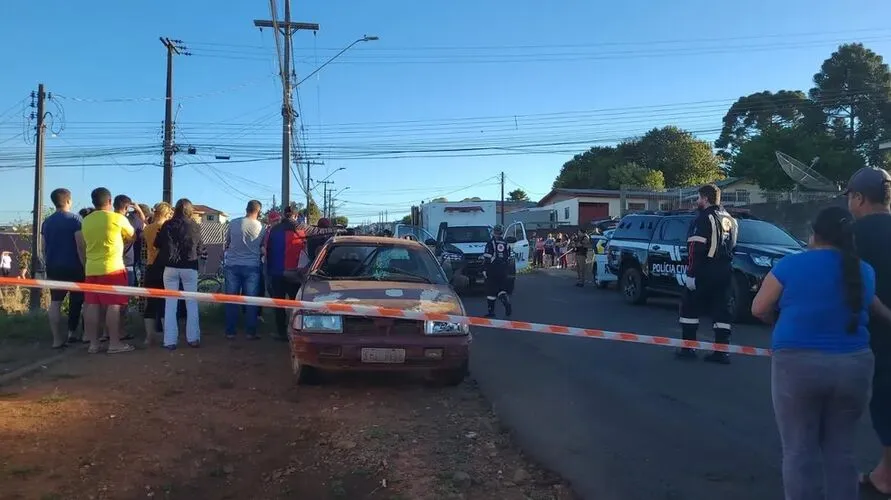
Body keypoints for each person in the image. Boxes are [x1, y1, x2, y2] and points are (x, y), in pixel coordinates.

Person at [751, 206, 889, 500]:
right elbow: (878, 311)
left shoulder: (790, 266)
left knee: (799, 450)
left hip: (797, 365)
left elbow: (759, 308)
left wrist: (779, 320)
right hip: (855, 366)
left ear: (814, 234)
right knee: (841, 451)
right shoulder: (864, 271)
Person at [843, 166, 891, 495]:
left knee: (884, 402)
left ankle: (885, 477)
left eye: (850, 196)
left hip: (876, 334)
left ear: (859, 198)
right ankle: (884, 472)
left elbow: (849, 287)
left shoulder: (854, 235)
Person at [676, 184, 738, 364]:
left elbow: (696, 248)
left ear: (705, 198)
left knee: (689, 307)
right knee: (722, 311)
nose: (697, 201)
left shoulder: (703, 218)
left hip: (705, 270)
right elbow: (734, 246)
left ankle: (688, 348)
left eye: (698, 198)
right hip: (725, 270)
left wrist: (692, 273)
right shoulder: (730, 219)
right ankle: (721, 351)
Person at [263, 207, 340, 341]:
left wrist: (269, 272)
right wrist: (337, 230)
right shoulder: (302, 229)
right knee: (296, 304)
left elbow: (267, 251)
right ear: (296, 215)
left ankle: (281, 332)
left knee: (279, 304)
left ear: (284, 215)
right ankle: (295, 332)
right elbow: (319, 233)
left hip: (276, 272)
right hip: (295, 274)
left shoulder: (273, 230)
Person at [75, 187, 136, 354]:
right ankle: (114, 343)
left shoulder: (86, 220)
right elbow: (132, 235)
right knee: (113, 305)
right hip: (113, 267)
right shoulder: (117, 218)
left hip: (91, 268)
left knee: (93, 305)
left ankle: (93, 344)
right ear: (109, 201)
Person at [154, 198, 204, 349]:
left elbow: (157, 244)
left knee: (170, 304)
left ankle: (169, 341)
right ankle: (193, 338)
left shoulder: (167, 225)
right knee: (192, 303)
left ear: (175, 209)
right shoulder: (195, 226)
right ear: (190, 210)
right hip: (190, 266)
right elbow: (199, 248)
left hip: (170, 267)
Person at [41, 188, 86, 348]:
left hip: (53, 266)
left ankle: (56, 340)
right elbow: (80, 246)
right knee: (77, 301)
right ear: (68, 201)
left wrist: (47, 262)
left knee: (55, 302)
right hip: (74, 266)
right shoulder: (76, 220)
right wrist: (84, 265)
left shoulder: (47, 222)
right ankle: (72, 333)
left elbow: (43, 247)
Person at [224, 200, 265, 340]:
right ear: (258, 211)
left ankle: (230, 331)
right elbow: (262, 247)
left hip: (232, 265)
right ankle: (250, 332)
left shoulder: (233, 223)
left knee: (231, 299)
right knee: (251, 300)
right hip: (252, 266)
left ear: (246, 209)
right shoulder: (261, 227)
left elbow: (227, 243)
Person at [141, 201, 172, 346]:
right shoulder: (166, 227)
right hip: (164, 267)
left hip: (150, 266)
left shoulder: (147, 229)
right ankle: (167, 336)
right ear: (167, 213)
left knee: (151, 304)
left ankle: (149, 337)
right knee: (165, 302)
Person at [483, 225, 513, 318]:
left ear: (493, 232)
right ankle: (505, 301)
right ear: (502, 232)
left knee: (491, 291)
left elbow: (487, 257)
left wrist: (484, 269)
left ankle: (491, 312)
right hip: (503, 269)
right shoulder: (505, 243)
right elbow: (508, 257)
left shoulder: (491, 242)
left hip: (493, 268)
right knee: (501, 288)